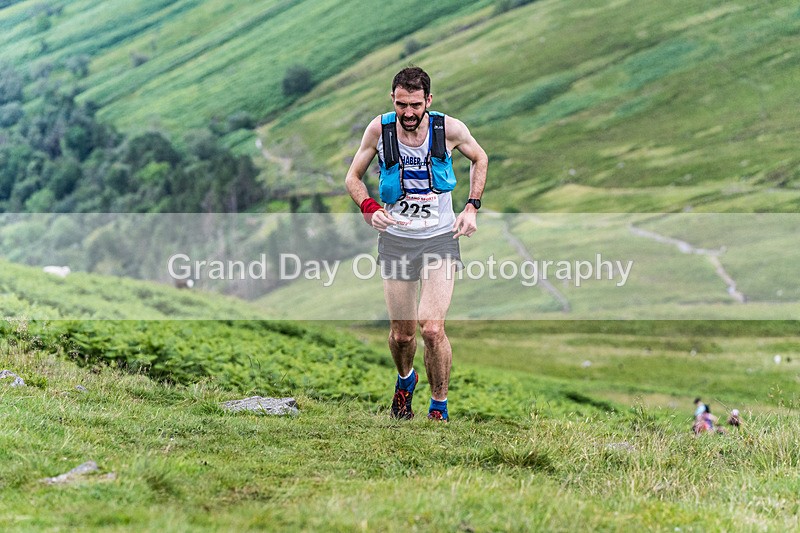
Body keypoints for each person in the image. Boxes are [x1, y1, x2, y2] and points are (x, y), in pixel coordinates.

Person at [344, 66, 488, 422]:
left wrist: (471, 206)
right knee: (403, 335)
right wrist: (369, 207)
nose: (408, 113)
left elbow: (480, 158)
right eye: (400, 105)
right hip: (395, 240)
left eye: (415, 105)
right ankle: (406, 381)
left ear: (428, 101)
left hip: (439, 238)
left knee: (432, 328)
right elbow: (353, 177)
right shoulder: (379, 129)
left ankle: (439, 406)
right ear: (392, 99)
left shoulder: (448, 129)